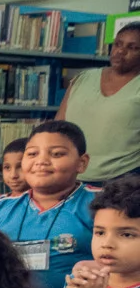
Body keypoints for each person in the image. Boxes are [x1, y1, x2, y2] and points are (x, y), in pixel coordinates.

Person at [0, 121, 96, 288]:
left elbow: (128, 269)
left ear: (82, 163)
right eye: (32, 153)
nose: (41, 161)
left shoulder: (101, 205)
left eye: (57, 154)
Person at [57, 22, 140, 184]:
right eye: (118, 44)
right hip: (72, 176)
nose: (121, 51)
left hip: (124, 179)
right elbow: (58, 124)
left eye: (133, 47)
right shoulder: (83, 79)